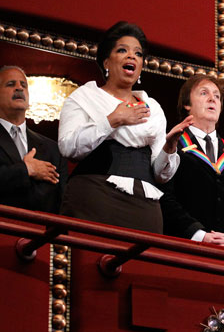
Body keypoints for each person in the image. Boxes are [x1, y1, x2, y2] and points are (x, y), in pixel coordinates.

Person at [58, 22, 192, 233]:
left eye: (138, 54)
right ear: (106, 62)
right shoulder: (84, 97)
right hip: (95, 196)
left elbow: (161, 175)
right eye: (122, 50)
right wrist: (113, 120)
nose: (132, 57)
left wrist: (170, 147)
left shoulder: (153, 108)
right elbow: (68, 148)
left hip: (146, 207)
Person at [159, 74, 224, 248]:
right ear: (186, 104)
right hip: (183, 248)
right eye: (204, 93)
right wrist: (197, 234)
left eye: (217, 96)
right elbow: (164, 197)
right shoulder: (171, 145)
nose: (212, 98)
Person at [0, 66, 67, 213]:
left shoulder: (53, 150)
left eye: (23, 85)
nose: (19, 88)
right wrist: (26, 169)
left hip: (40, 233)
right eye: (11, 84)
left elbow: (61, 203)